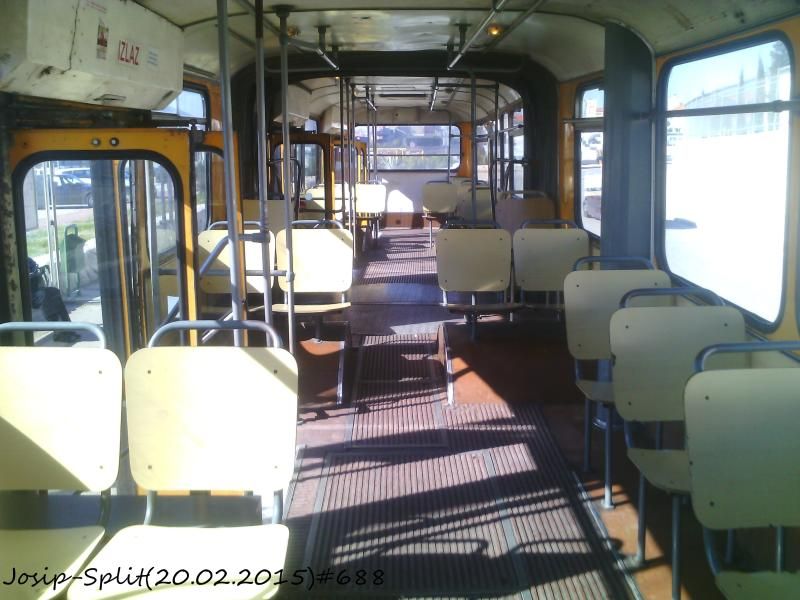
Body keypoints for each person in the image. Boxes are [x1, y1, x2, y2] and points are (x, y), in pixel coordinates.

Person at [27, 257, 78, 342]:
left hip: (33, 289)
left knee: (53, 292)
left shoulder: (27, 260)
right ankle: (59, 331)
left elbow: (35, 274)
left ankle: (67, 329)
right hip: (27, 293)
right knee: (47, 296)